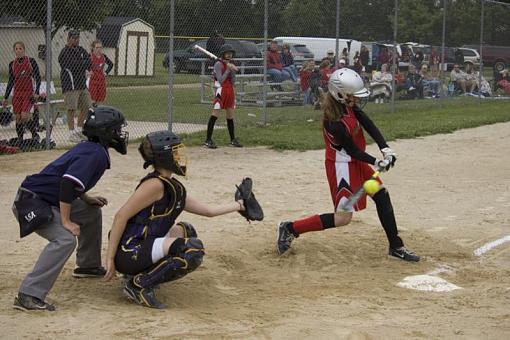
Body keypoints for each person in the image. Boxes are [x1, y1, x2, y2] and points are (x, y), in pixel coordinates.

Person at [276, 68, 419, 262]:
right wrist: (377, 161)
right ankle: (291, 228)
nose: (357, 100)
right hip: (341, 167)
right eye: (353, 96)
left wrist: (385, 148)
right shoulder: (333, 122)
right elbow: (352, 150)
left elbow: (367, 123)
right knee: (343, 218)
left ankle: (396, 246)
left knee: (381, 195)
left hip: (356, 163)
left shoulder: (348, 106)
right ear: (340, 94)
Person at [104, 130, 248, 308]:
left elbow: (208, 211)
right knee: (192, 251)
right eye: (176, 152)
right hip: (129, 249)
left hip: (143, 243)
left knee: (187, 231)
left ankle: (140, 274)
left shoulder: (172, 186)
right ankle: (138, 285)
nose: (180, 156)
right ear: (165, 156)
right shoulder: (155, 184)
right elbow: (121, 216)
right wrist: (110, 259)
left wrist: (240, 205)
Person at [11, 106, 129, 311]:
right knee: (64, 240)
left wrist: (86, 198)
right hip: (33, 202)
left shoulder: (92, 149)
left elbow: (73, 181)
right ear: (106, 132)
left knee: (90, 212)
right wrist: (66, 221)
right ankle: (29, 294)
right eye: (117, 130)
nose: (119, 134)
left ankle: (88, 266)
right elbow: (66, 184)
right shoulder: (95, 154)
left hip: (48, 198)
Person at [2, 41, 42, 146]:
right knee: (18, 118)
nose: (18, 50)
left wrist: (36, 92)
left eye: (20, 48)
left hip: (28, 93)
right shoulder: (12, 64)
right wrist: (6, 97)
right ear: (14, 51)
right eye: (16, 49)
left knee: (25, 116)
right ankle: (20, 140)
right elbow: (11, 81)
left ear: (24, 50)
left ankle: (35, 134)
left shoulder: (31, 61)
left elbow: (38, 78)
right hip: (17, 94)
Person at [204, 44, 242, 149]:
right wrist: (228, 70)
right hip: (220, 91)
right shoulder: (218, 64)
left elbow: (233, 81)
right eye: (227, 53)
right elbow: (220, 80)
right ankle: (208, 140)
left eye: (231, 53)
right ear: (223, 54)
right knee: (215, 114)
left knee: (230, 115)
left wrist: (232, 71)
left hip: (230, 90)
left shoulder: (230, 63)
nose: (229, 55)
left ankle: (232, 139)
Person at [58, 29, 92, 143]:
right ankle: (71, 133)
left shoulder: (80, 49)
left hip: (82, 84)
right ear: (69, 39)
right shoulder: (64, 52)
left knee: (86, 106)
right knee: (71, 109)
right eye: (74, 38)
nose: (76, 40)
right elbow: (73, 66)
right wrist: (82, 64)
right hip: (70, 85)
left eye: (77, 38)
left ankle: (78, 130)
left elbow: (89, 61)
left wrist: (82, 63)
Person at [88, 40, 113, 106]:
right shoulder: (90, 56)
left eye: (100, 47)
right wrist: (88, 71)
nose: (99, 49)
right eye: (97, 47)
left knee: (100, 100)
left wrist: (106, 72)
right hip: (93, 80)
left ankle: (99, 113)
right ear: (93, 48)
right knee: (92, 100)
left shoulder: (104, 56)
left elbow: (111, 64)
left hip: (101, 80)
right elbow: (83, 65)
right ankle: (91, 113)